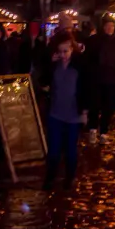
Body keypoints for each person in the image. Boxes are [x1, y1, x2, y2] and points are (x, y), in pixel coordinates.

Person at [42, 31, 87, 190]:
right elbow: (44, 83)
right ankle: (50, 177)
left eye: (65, 51)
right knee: (53, 149)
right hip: (56, 113)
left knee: (70, 149)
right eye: (60, 52)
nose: (63, 55)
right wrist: (50, 64)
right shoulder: (55, 64)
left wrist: (86, 111)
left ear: (72, 48)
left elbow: (87, 88)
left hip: (74, 114)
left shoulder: (80, 64)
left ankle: (70, 177)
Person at [84, 15, 115, 144]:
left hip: (111, 79)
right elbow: (88, 59)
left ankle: (104, 132)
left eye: (112, 26)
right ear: (103, 27)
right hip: (97, 79)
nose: (110, 28)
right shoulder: (94, 41)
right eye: (108, 26)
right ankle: (92, 130)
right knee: (95, 106)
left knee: (108, 107)